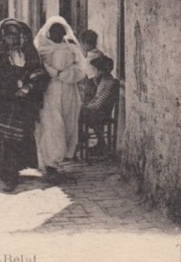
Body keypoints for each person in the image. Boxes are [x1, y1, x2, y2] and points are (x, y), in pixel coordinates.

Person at [0, 18, 48, 192]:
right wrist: (6, 90)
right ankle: (7, 176)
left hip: (22, 103)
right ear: (3, 37)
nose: (13, 40)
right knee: (2, 140)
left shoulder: (29, 52)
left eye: (16, 36)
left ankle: (17, 169)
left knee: (19, 138)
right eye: (9, 36)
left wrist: (29, 87)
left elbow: (38, 72)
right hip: (3, 104)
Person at [34, 16, 87, 181]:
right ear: (49, 32)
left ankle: (58, 161)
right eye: (53, 31)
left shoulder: (71, 49)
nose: (57, 34)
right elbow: (37, 68)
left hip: (69, 91)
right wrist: (52, 72)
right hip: (49, 91)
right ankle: (50, 164)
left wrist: (65, 74)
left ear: (64, 33)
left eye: (60, 31)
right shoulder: (42, 49)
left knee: (68, 124)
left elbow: (81, 69)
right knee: (52, 126)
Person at [80, 55, 119, 156]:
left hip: (102, 113)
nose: (94, 72)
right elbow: (96, 100)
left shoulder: (109, 83)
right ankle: (99, 143)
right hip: (98, 111)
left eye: (96, 70)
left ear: (102, 70)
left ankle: (83, 141)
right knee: (78, 111)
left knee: (77, 113)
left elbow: (99, 104)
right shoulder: (103, 80)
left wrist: (86, 107)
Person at [79, 29, 104, 103]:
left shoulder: (90, 58)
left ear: (86, 43)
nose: (82, 47)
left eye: (82, 44)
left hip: (92, 87)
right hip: (100, 85)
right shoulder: (99, 53)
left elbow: (92, 77)